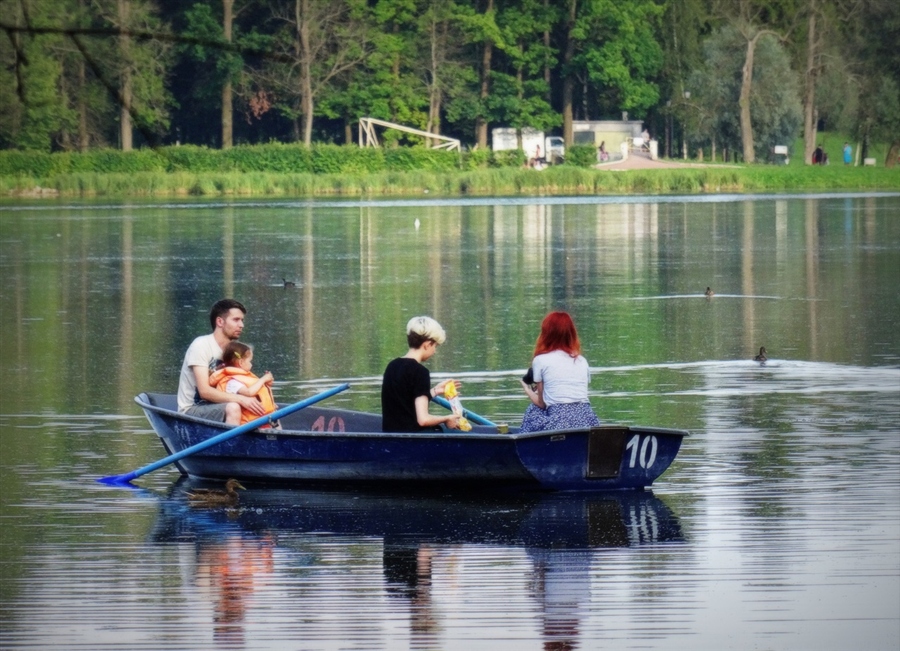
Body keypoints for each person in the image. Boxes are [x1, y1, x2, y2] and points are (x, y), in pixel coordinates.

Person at [177, 298, 268, 425]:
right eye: (236, 320)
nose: (241, 325)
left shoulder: (235, 351)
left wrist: (264, 393)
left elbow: (241, 385)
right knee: (234, 407)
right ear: (220, 321)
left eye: (242, 320)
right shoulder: (201, 345)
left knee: (268, 409)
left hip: (223, 405)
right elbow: (204, 392)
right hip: (193, 410)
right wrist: (242, 400)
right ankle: (231, 445)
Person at [519, 311, 601, 433]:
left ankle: (526, 445)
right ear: (571, 334)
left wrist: (528, 390)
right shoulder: (582, 360)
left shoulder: (540, 360)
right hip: (587, 419)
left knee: (533, 410)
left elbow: (542, 404)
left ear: (546, 334)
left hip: (559, 422)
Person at [381, 316, 461, 432]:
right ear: (427, 344)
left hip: (390, 437)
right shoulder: (420, 372)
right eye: (435, 346)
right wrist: (446, 419)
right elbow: (423, 420)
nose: (435, 351)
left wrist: (435, 391)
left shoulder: (392, 366)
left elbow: (405, 401)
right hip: (413, 440)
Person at [209, 341, 277, 425]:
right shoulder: (232, 382)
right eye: (250, 361)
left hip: (261, 418)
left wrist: (266, 386)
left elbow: (257, 394)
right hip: (248, 424)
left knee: (276, 415)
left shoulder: (245, 378)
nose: (251, 365)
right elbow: (249, 392)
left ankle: (281, 435)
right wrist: (263, 379)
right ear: (241, 362)